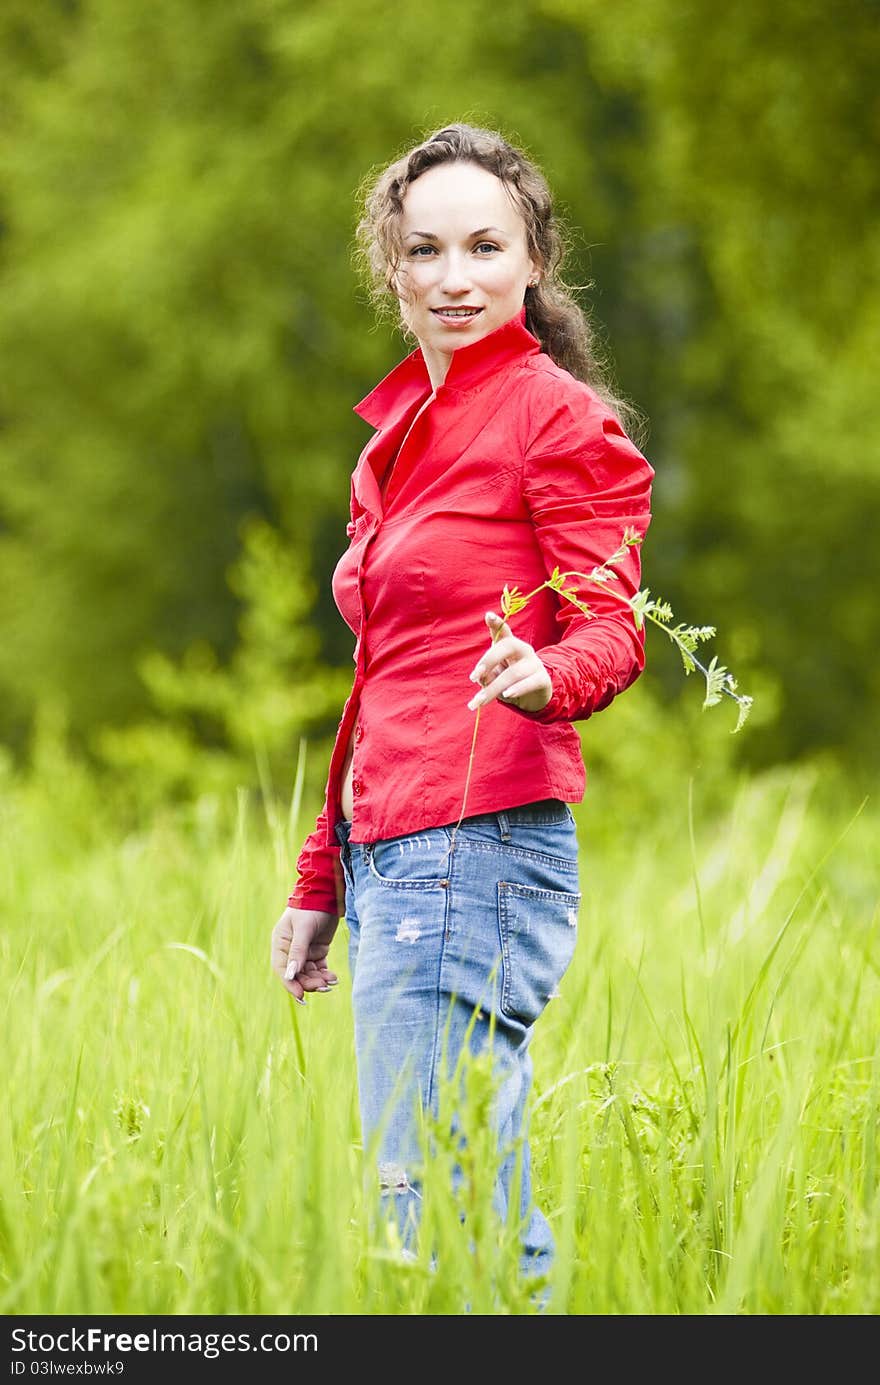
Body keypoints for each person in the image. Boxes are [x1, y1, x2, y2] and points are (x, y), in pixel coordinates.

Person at [270, 122, 654, 1287]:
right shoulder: (393, 435)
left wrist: (553, 674)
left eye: (484, 246)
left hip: (476, 841)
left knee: (445, 1207)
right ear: (390, 264)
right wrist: (321, 876)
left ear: (533, 258)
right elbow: (383, 674)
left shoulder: (553, 415)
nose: (453, 276)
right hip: (396, 847)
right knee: (425, 1198)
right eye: (425, 249)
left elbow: (610, 620)